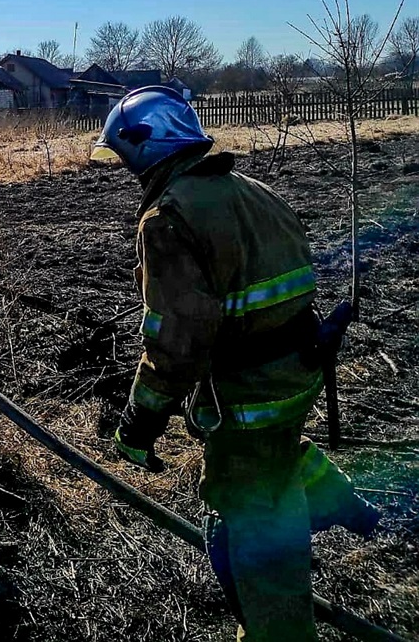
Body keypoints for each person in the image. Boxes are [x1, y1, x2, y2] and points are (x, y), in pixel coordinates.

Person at [92, 86, 380, 642]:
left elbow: (177, 342)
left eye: (125, 158)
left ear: (147, 148)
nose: (126, 171)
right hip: (300, 370)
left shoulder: (168, 217)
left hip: (248, 394)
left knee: (257, 533)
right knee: (274, 454)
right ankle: (341, 501)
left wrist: (140, 426)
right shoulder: (254, 191)